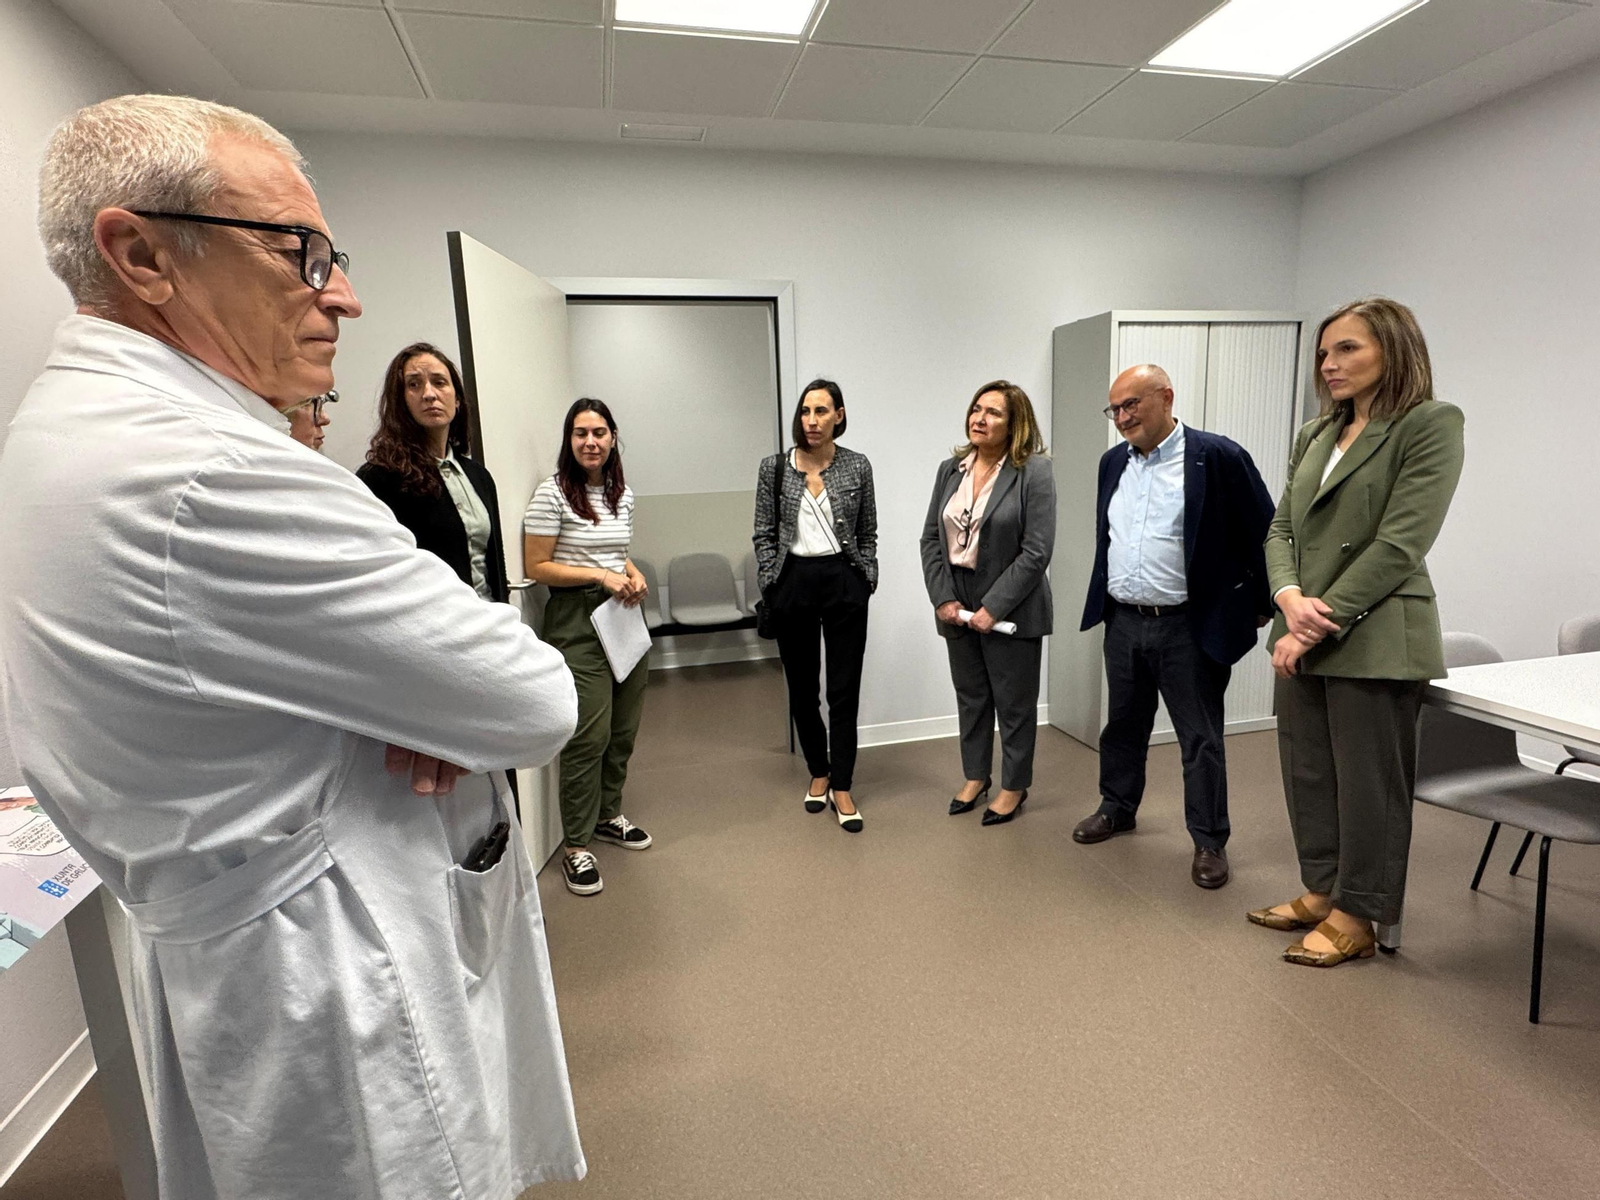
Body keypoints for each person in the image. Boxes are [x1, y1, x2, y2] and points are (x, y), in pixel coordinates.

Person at [0, 94, 585, 1198]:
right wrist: (433, 702)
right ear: (142, 255)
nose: (343, 295)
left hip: (247, 939)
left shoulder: (66, 426)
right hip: (330, 972)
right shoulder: (215, 472)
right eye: (298, 252)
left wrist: (423, 696)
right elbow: (532, 699)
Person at [1249, 297, 1464, 967]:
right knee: (1308, 771)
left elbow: (1400, 543)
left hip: (1374, 635)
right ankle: (1322, 890)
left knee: (1369, 784)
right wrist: (1287, 597)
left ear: (1393, 349)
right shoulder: (1316, 433)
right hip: (1302, 625)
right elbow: (1281, 528)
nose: (1329, 364)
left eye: (1347, 349)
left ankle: (1358, 913)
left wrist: (1314, 622)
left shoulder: (1429, 424)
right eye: (1324, 352)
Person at [1074, 365, 1278, 889]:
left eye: (1131, 405)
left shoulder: (1218, 456)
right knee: (1123, 726)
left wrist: (1261, 604)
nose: (1122, 418)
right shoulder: (1112, 463)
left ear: (1166, 398)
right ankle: (1117, 807)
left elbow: (1267, 532)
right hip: (1124, 620)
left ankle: (1209, 839)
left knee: (1200, 738)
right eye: (1115, 409)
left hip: (1189, 626)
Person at [524, 398, 653, 895]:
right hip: (576, 618)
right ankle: (576, 845)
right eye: (581, 433)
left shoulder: (623, 494)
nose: (590, 442)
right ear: (569, 440)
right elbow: (537, 566)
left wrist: (632, 574)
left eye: (599, 433)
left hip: (622, 613)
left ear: (613, 438)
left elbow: (617, 553)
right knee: (589, 735)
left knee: (623, 729)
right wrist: (600, 577)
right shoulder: (552, 493)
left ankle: (608, 815)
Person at [920, 380, 1055, 825]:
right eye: (976, 409)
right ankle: (976, 776)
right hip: (956, 598)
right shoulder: (950, 469)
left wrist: (993, 606)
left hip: (1012, 604)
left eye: (993, 412)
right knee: (971, 697)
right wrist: (943, 597)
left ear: (1015, 424)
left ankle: (1014, 786)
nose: (979, 418)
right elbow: (930, 539)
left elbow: (1036, 551)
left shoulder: (1034, 472)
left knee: (1014, 703)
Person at [752, 379, 878, 832]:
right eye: (806, 411)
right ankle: (819, 772)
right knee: (804, 690)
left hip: (844, 580)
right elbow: (763, 533)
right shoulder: (775, 468)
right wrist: (771, 580)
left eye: (821, 411)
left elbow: (868, 531)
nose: (811, 420)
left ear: (839, 416)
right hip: (794, 581)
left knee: (844, 690)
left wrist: (866, 577)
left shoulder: (857, 465)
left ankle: (842, 784)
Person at [358, 346, 510, 605]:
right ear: (401, 401)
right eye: (414, 385)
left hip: (489, 619)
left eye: (439, 382)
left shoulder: (479, 476)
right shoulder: (379, 478)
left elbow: (495, 565)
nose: (429, 394)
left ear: (457, 399)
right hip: (430, 622)